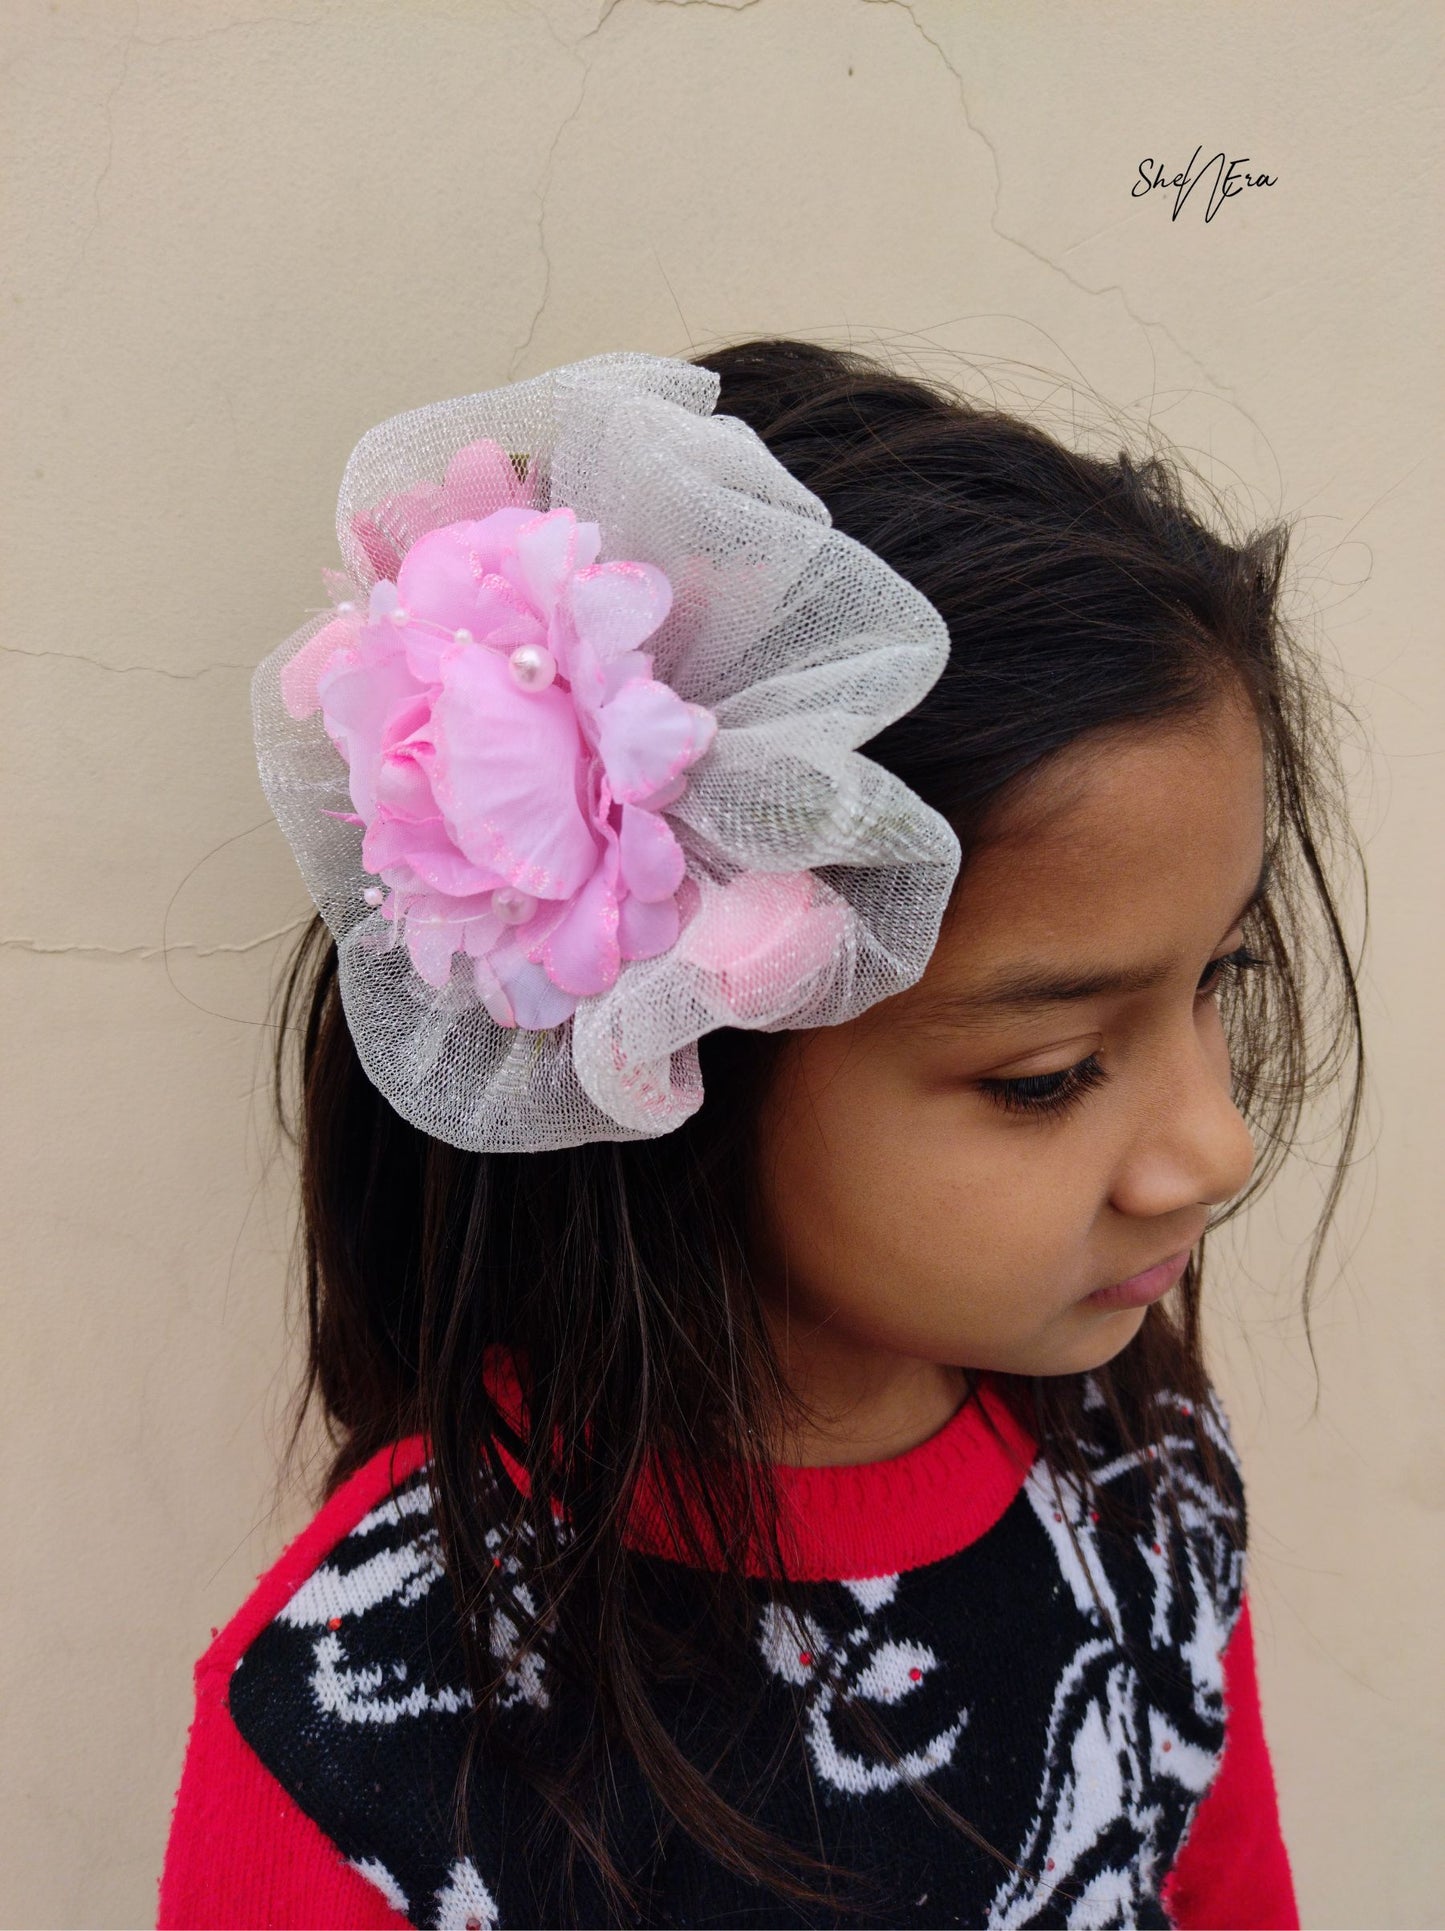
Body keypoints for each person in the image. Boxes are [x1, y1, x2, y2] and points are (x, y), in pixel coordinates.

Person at [157, 338, 1362, 1929]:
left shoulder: (1139, 1490)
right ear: (673, 1050)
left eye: (1219, 980)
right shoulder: (365, 1725)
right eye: (1049, 1070)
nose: (1210, 1148)